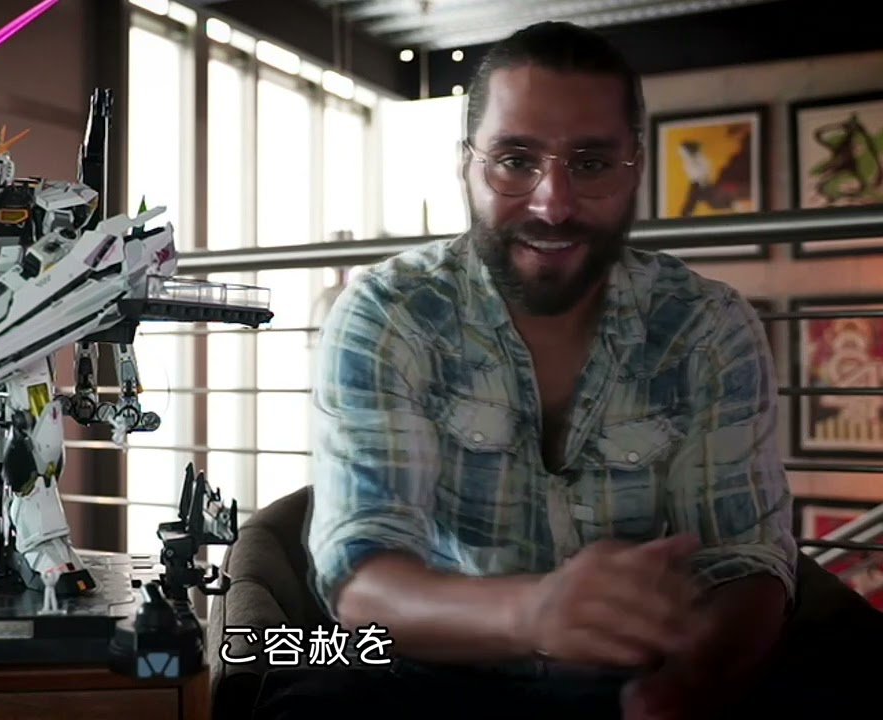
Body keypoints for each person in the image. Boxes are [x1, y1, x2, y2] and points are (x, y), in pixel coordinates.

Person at [256, 20, 801, 719]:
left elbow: (746, 562)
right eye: (515, 160)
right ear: (466, 165)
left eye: (591, 164)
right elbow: (360, 578)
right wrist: (532, 611)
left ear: (634, 167)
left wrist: (684, 689)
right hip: (426, 674)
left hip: (645, 677)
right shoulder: (389, 313)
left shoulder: (708, 327)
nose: (553, 204)